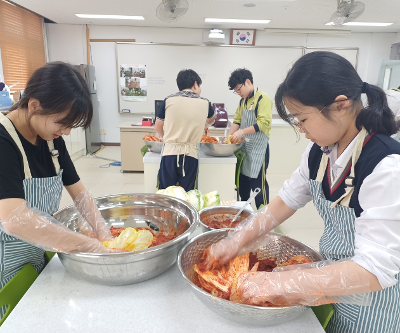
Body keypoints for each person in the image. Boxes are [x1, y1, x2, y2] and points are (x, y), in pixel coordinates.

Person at [201, 52, 400, 333]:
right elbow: (286, 201)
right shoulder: (319, 151)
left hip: (373, 305)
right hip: (328, 283)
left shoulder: (386, 166)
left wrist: (277, 283)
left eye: (302, 119)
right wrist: (236, 240)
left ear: (340, 105)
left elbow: (375, 269)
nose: (301, 130)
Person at [0, 62, 118, 319]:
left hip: (36, 255)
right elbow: (13, 220)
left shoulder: (51, 141)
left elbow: (80, 193)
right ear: (34, 106)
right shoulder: (4, 142)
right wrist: (88, 245)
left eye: (70, 126)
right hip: (4, 269)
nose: (64, 132)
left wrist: (103, 233)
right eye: (62, 123)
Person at [154, 69, 216, 191]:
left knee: (166, 193)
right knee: (188, 195)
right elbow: (212, 118)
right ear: (195, 84)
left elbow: (157, 126)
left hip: (169, 153)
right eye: (199, 86)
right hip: (190, 155)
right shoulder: (205, 102)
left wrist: (166, 138)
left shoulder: (168, 100)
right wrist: (205, 123)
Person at [227, 68, 273, 208]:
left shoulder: (262, 98)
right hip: (246, 149)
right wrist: (228, 138)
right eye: (236, 91)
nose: (238, 93)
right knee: (243, 182)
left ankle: (263, 215)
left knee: (258, 184)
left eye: (239, 89)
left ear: (248, 82)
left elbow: (263, 123)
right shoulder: (243, 102)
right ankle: (244, 211)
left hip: (259, 149)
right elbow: (237, 121)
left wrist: (241, 132)